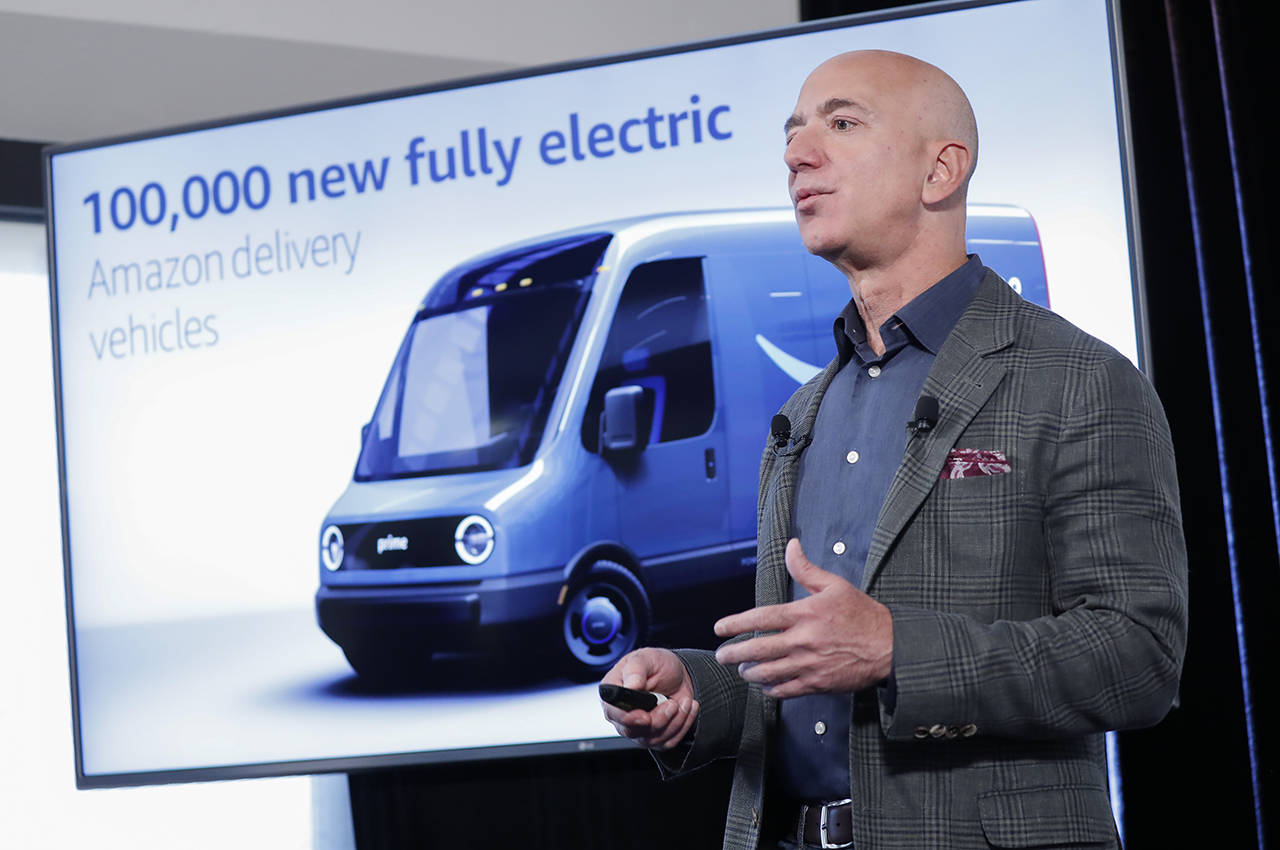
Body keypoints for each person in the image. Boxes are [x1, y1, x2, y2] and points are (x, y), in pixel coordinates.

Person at [599, 49, 1188, 850]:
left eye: (842, 123)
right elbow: (803, 691)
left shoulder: (1079, 381)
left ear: (941, 170)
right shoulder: (801, 416)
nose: (798, 155)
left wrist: (894, 650)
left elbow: (1139, 655)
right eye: (795, 133)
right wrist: (694, 692)